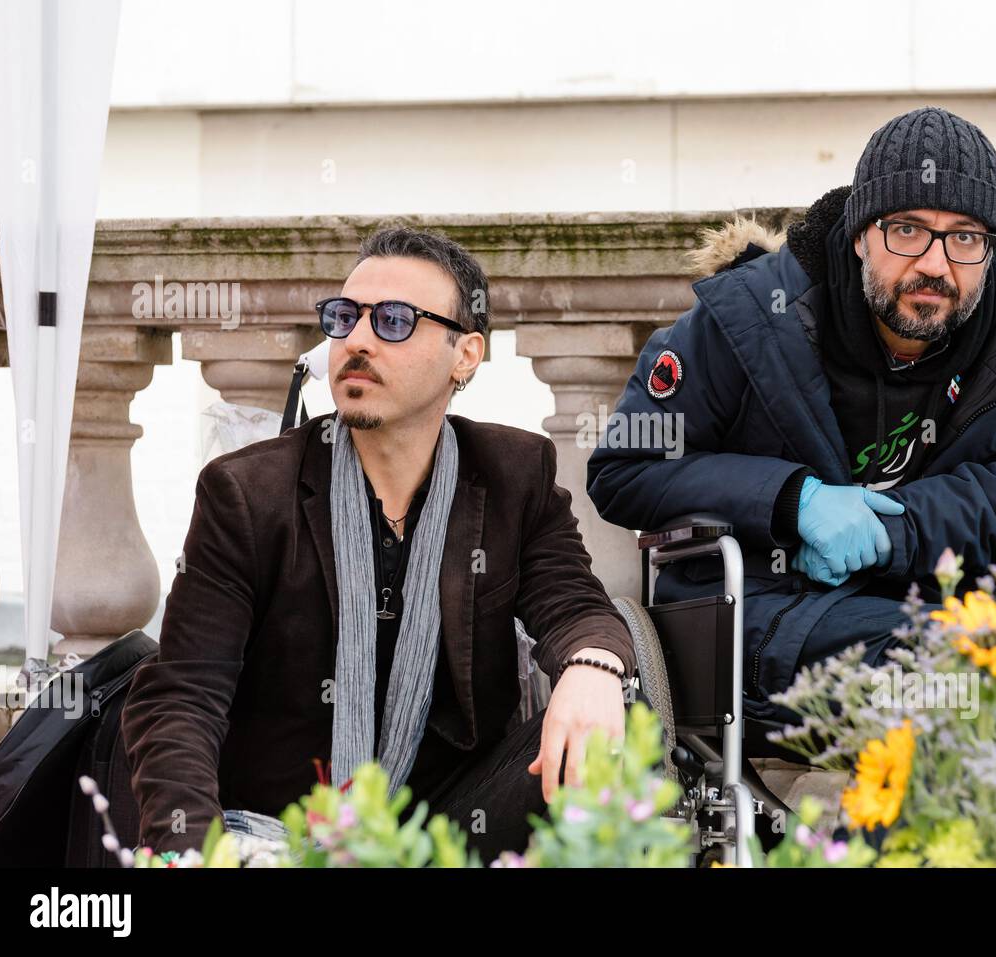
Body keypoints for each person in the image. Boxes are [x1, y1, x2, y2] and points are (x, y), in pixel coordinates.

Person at [587, 106, 996, 721]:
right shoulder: (752, 318)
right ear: (860, 232)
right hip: (762, 605)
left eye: (965, 237)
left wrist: (902, 530)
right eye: (907, 230)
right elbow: (626, 468)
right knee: (957, 672)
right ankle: (890, 819)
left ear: (993, 250)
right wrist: (791, 501)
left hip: (939, 599)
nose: (935, 265)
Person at [123, 227, 637, 861]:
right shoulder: (248, 495)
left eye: (394, 321)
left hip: (453, 823)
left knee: (617, 734)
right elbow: (183, 694)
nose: (357, 340)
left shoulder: (513, 474)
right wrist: (191, 851)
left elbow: (577, 606)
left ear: (465, 354)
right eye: (345, 318)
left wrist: (592, 666)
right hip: (282, 827)